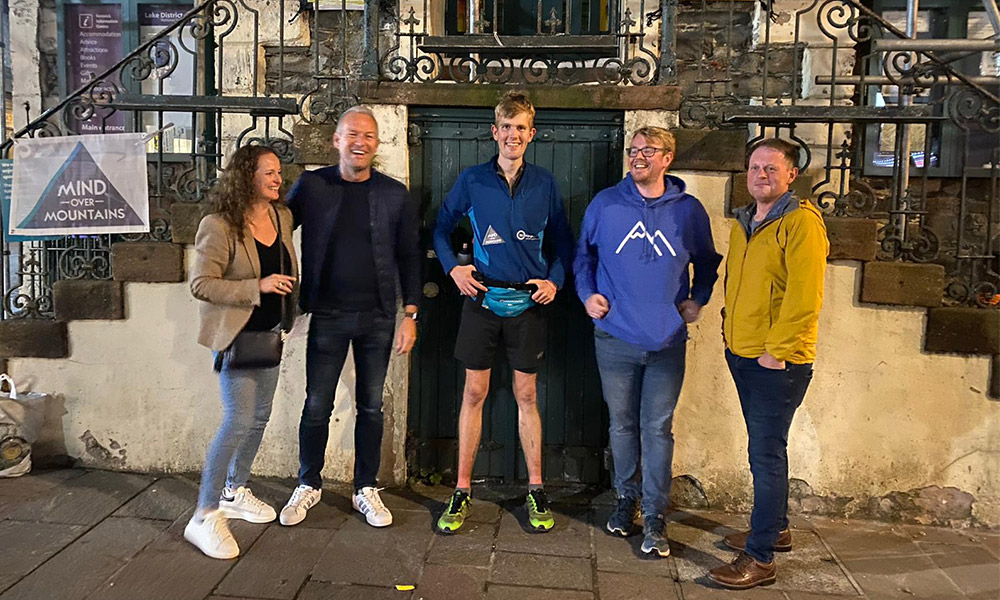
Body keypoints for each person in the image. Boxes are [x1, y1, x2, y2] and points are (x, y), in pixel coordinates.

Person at [575, 126, 721, 557]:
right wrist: (587, 295)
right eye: (633, 150)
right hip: (615, 337)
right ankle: (626, 500)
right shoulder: (606, 204)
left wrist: (699, 298)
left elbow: (709, 262)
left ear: (667, 158)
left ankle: (656, 515)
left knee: (656, 429)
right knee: (621, 425)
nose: (638, 157)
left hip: (666, 341)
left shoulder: (688, 211)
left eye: (648, 151)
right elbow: (584, 256)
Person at [432, 91, 574, 535]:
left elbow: (563, 243)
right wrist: (454, 268)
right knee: (474, 393)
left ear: (532, 134)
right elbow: (440, 228)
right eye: (506, 128)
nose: (513, 135)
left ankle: (536, 487)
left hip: (528, 305)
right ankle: (461, 490)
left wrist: (555, 280)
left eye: (521, 129)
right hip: (481, 301)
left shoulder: (546, 183)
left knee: (527, 396)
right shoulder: (473, 180)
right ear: (495, 132)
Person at [279, 106, 421, 528]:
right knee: (317, 404)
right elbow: (276, 229)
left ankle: (365, 488)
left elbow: (410, 256)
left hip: (378, 317)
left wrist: (410, 312)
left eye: (369, 136)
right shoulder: (311, 185)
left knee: (371, 407)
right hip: (326, 314)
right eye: (352, 134)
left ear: (377, 146)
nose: (360, 142)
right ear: (336, 140)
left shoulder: (395, 194)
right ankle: (308, 483)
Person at [708, 138, 828, 589]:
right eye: (755, 168)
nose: (761, 175)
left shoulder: (801, 224)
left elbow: (804, 298)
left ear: (791, 174)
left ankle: (759, 559)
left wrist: (775, 352)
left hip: (777, 362)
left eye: (771, 168)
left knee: (765, 454)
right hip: (744, 352)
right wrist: (728, 331)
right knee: (767, 448)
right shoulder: (745, 222)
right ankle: (775, 529)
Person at [187, 145, 298, 559]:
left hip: (270, 334)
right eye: (269, 172)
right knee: (237, 420)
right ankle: (204, 513)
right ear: (246, 176)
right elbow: (201, 284)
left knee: (260, 418)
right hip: (235, 337)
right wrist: (259, 286)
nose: (277, 179)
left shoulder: (281, 216)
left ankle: (235, 490)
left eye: (278, 172)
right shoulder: (220, 225)